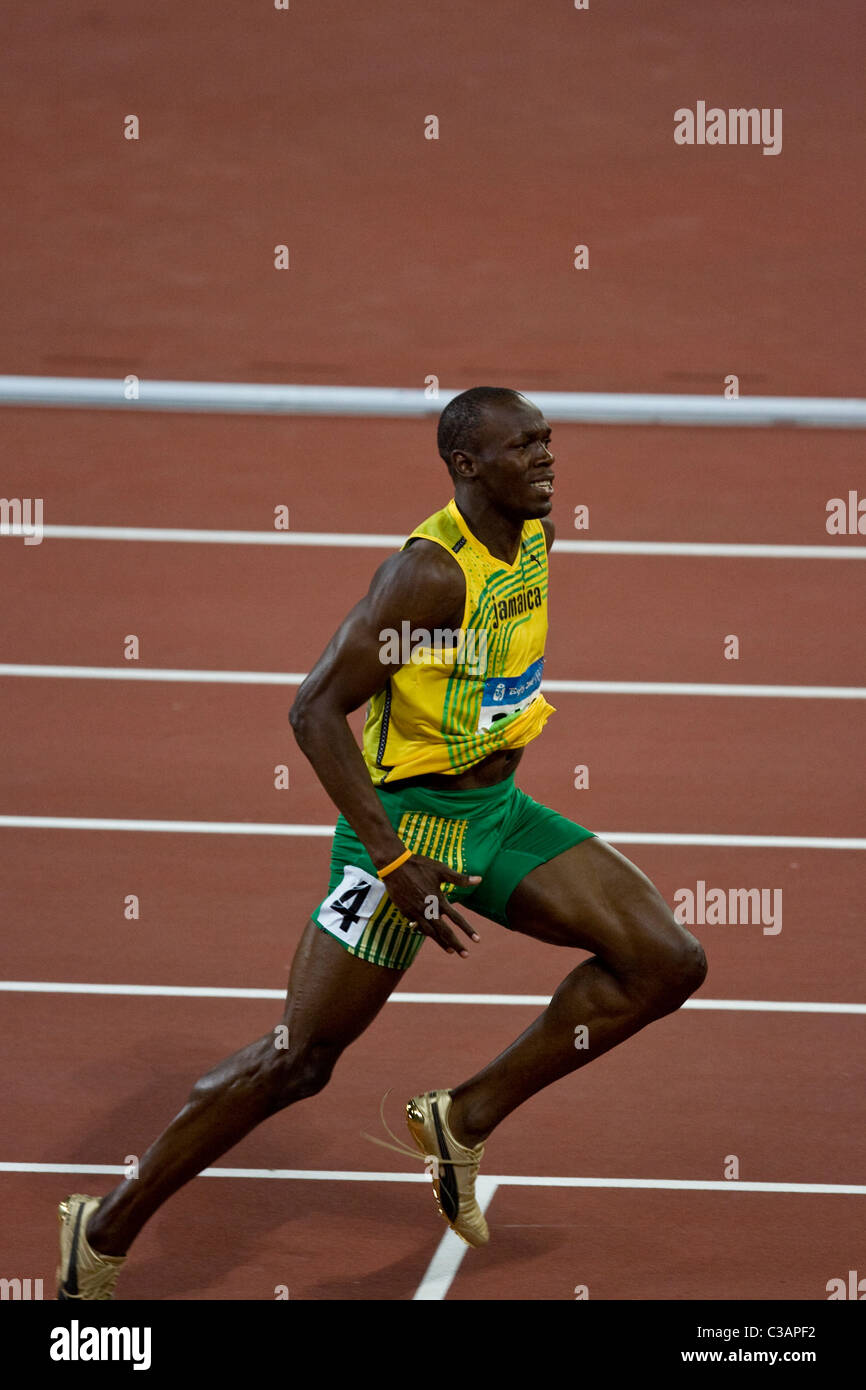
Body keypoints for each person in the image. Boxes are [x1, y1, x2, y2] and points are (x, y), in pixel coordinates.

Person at [56, 386, 707, 1299]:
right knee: (298, 1059)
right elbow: (314, 707)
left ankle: (463, 1118)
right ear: (467, 465)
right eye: (526, 448)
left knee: (665, 960)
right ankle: (106, 1225)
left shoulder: (535, 537)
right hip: (404, 835)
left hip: (497, 815)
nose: (549, 462)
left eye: (551, 443)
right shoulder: (429, 575)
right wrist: (395, 860)